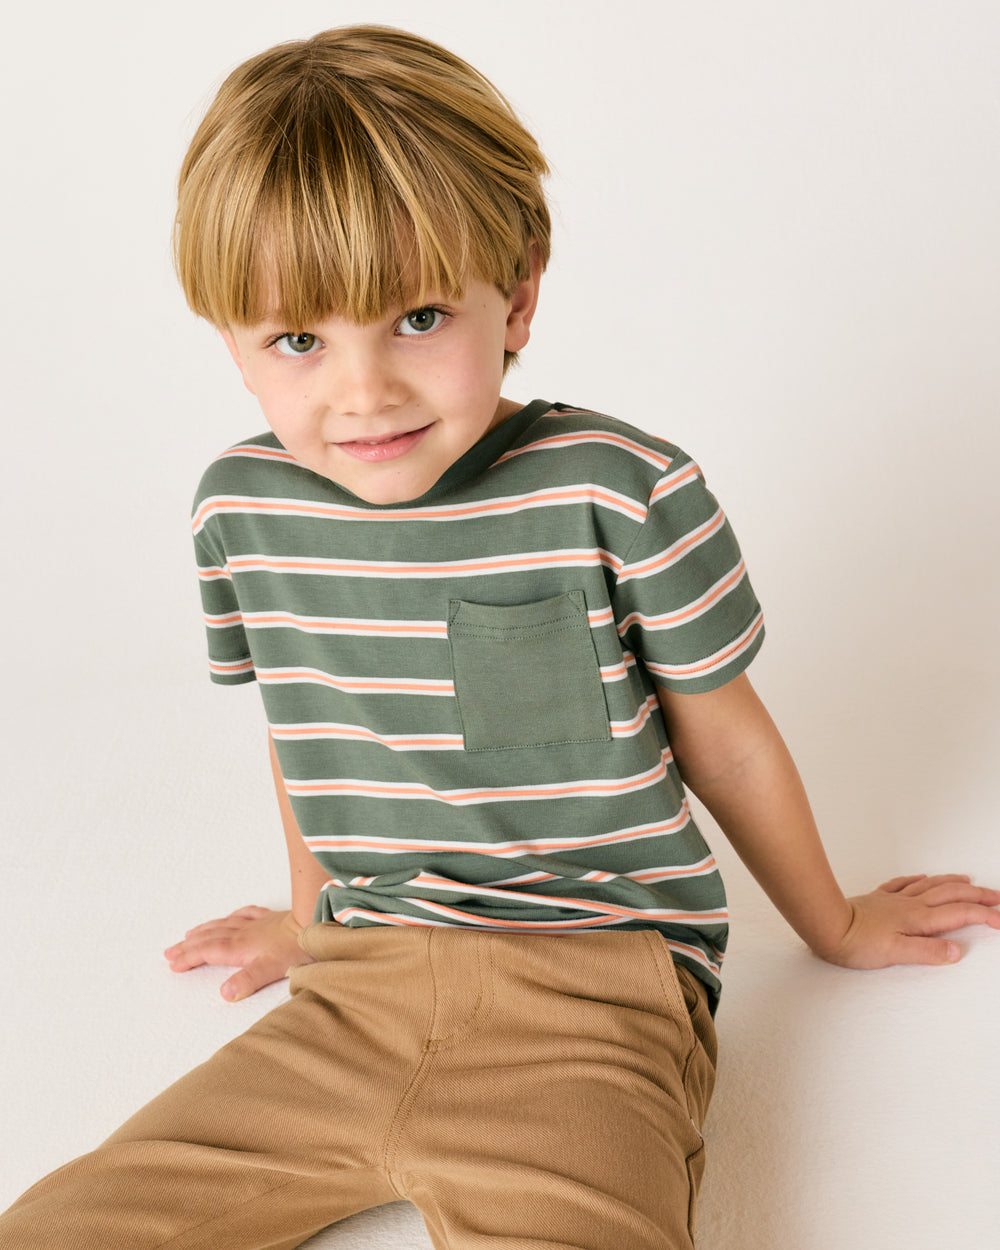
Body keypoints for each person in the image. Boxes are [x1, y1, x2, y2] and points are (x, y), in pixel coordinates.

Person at [2, 24, 997, 1250]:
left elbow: (726, 741)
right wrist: (312, 922)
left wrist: (832, 923)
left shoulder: (617, 489)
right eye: (299, 340)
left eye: (417, 316)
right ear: (229, 340)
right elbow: (307, 726)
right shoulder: (239, 508)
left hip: (599, 993)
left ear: (517, 292)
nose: (363, 391)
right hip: (353, 995)